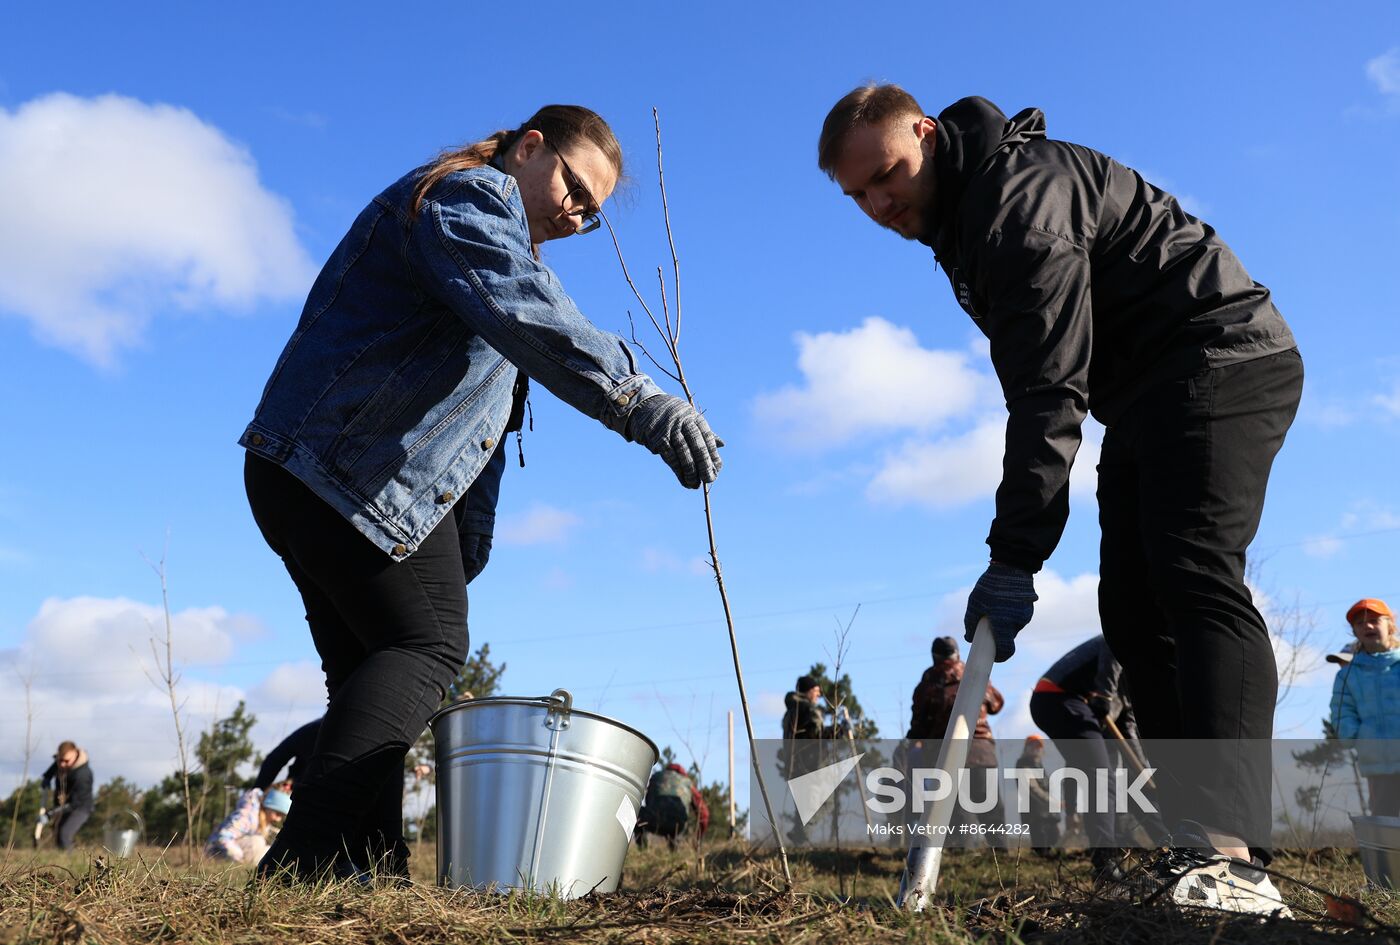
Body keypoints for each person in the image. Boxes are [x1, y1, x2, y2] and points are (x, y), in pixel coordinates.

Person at [819, 85, 1300, 917]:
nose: (879, 203)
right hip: (1151, 388)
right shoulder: (965, 220)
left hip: (1221, 354)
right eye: (858, 194)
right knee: (1131, 605)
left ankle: (1235, 857)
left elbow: (1048, 393)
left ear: (927, 135)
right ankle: (1196, 849)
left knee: (1193, 575)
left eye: (887, 174)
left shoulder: (1015, 203)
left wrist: (1015, 556)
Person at [239, 104, 723, 883]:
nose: (577, 213)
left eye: (593, 214)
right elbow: (528, 318)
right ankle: (296, 864)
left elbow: (488, 414)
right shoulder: (470, 199)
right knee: (428, 646)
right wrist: (637, 401)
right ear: (530, 148)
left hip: (319, 472)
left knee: (369, 669)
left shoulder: (496, 243)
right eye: (574, 188)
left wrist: (470, 539)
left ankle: (370, 866)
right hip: (347, 468)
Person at [1029, 635, 1165, 881]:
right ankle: (1105, 862)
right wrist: (1104, 694)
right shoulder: (1136, 640)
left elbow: (1127, 730)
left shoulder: (1133, 689)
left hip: (1087, 711)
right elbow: (1113, 644)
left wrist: (1144, 773)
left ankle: (1165, 842)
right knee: (1102, 778)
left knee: (1120, 780)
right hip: (1058, 697)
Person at [906, 636, 1006, 844]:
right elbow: (997, 704)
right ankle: (1000, 850)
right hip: (980, 749)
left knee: (952, 807)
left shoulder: (927, 685)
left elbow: (918, 726)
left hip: (943, 752)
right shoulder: (976, 675)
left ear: (935, 657)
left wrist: (914, 743)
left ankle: (958, 852)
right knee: (988, 802)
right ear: (957, 654)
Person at [1330, 598, 1400, 817]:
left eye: (1374, 620)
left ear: (1390, 625)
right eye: (1359, 623)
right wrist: (1356, 736)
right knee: (1384, 819)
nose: (1367, 626)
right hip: (1377, 764)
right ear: (1354, 632)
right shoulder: (1348, 674)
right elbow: (1343, 712)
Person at [207, 786, 293, 863]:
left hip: (231, 855)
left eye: (282, 816)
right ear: (267, 807)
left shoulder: (263, 821)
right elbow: (223, 837)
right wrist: (238, 858)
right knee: (257, 842)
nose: (278, 819)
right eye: (277, 814)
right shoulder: (247, 818)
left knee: (270, 848)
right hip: (215, 854)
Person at [634, 763, 710, 850]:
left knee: (635, 814)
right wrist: (698, 839)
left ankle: (642, 850)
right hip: (679, 824)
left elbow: (648, 800)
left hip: (656, 820)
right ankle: (674, 851)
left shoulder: (656, 777)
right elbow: (704, 813)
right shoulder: (687, 783)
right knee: (675, 827)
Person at [40, 741, 94, 850]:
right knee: (57, 833)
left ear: (75, 754)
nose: (62, 764)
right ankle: (62, 860)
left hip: (80, 807)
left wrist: (51, 813)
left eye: (66, 761)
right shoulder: (61, 762)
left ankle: (70, 863)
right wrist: (47, 777)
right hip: (63, 806)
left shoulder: (83, 775)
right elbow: (55, 766)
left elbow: (75, 803)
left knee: (64, 834)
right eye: (60, 760)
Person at [1014, 735, 1058, 854]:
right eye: (1032, 745)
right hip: (1035, 813)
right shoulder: (1023, 764)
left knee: (1053, 838)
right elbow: (1033, 788)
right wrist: (1052, 801)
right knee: (1041, 843)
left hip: (1047, 813)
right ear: (1026, 748)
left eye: (1038, 745)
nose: (1036, 748)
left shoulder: (1039, 765)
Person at [254, 718, 322, 792]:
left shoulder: (317, 727)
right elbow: (275, 759)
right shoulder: (316, 728)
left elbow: (275, 758)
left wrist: (258, 791)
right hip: (295, 792)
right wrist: (257, 792)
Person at [781, 675, 826, 740]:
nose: (818, 694)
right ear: (809, 691)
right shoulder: (807, 710)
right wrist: (838, 731)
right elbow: (818, 735)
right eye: (816, 690)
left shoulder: (791, 711)